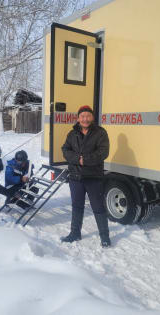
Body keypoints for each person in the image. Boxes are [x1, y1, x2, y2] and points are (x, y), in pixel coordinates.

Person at [61, 105, 111, 247]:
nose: (85, 119)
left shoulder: (100, 133)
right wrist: (78, 159)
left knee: (98, 207)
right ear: (78, 118)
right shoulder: (72, 134)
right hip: (75, 177)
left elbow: (103, 152)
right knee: (77, 206)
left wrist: (86, 160)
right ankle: (75, 233)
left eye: (88, 116)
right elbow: (65, 149)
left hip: (93, 177)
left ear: (92, 117)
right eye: (82, 116)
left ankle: (104, 236)